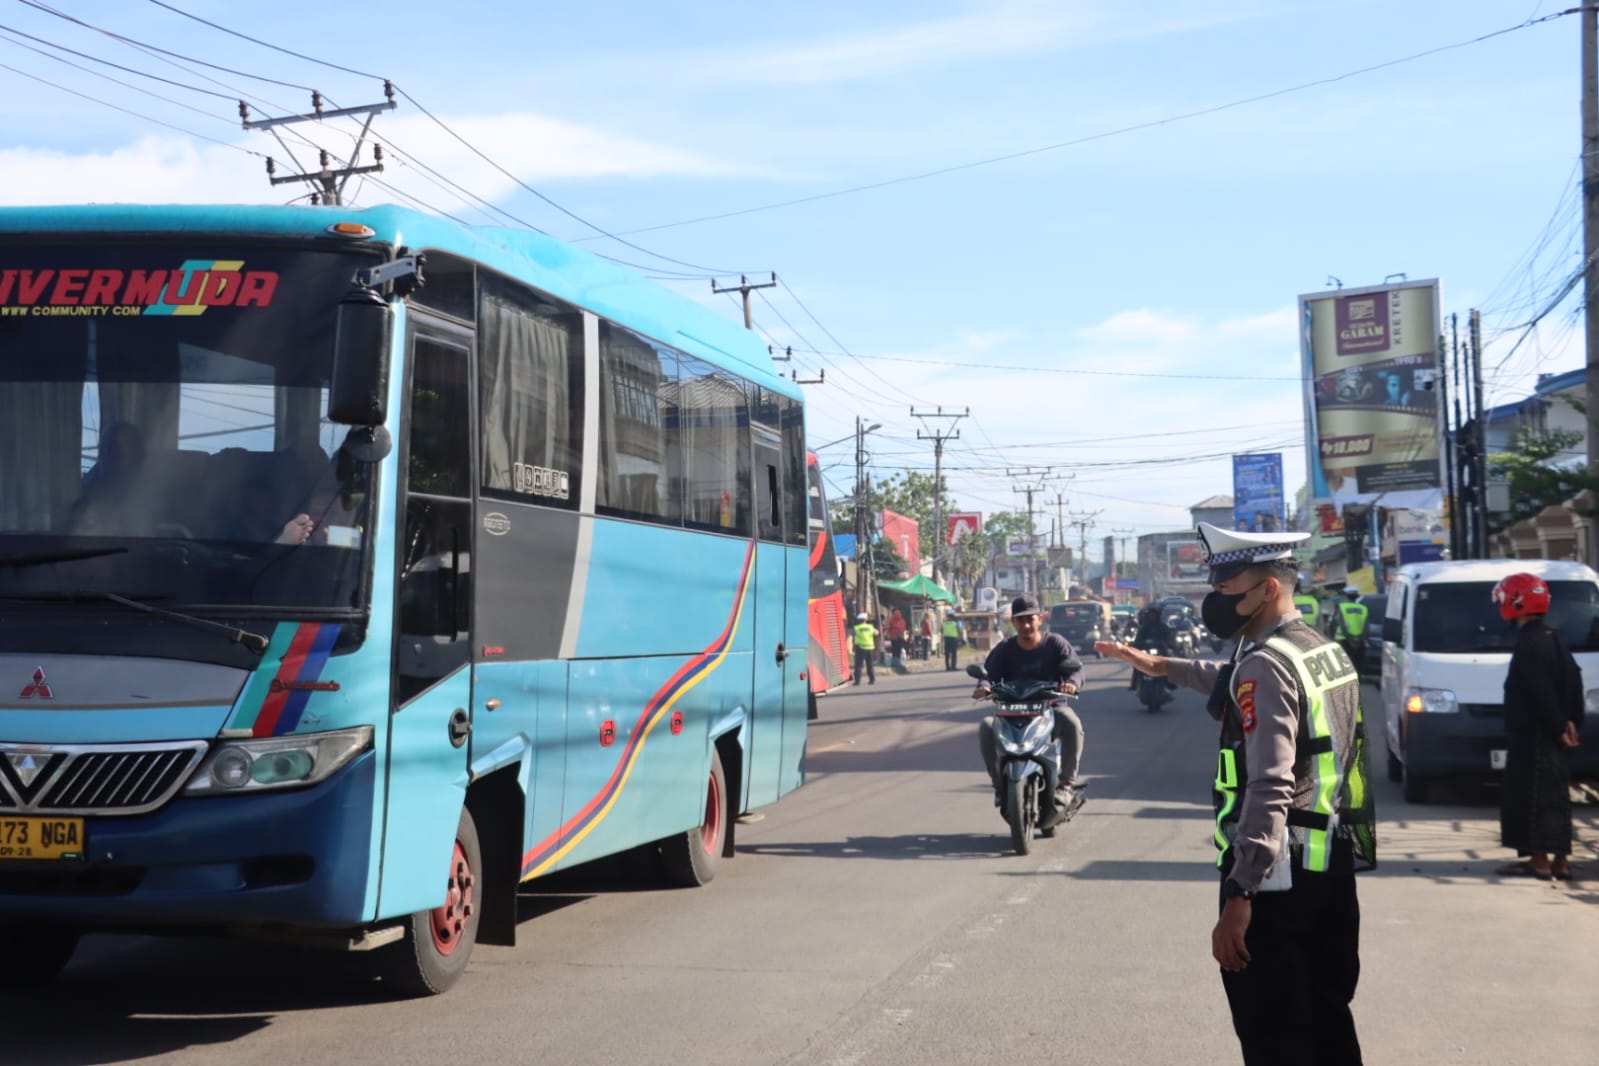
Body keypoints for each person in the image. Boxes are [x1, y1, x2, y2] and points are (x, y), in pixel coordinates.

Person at [1096, 523, 1377, 1066]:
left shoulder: (1266, 664)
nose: (1216, 597)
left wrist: (1241, 892)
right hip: (1331, 868)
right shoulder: (1320, 650)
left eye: (1226, 586)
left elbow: (1271, 783)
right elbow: (1230, 679)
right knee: (1328, 1024)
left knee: (1275, 1037)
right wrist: (1154, 664)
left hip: (1278, 879)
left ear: (1267, 589)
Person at [1492, 573, 1585, 882]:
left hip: (1533, 734)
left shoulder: (1528, 643)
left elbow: (1539, 688)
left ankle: (1540, 862)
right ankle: (1560, 862)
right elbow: (1574, 679)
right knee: (1556, 798)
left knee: (1530, 797)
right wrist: (1571, 721)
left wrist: (1557, 725)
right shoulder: (1553, 637)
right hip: (1554, 734)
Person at [974, 595, 1088, 818]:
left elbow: (1076, 670)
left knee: (1072, 722)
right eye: (1020, 620)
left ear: (1040, 619)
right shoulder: (1005, 648)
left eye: (1030, 619)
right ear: (1013, 622)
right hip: (1011, 712)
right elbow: (988, 674)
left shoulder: (1055, 643)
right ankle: (999, 786)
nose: (1026, 625)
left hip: (1050, 708)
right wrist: (984, 686)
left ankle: (1066, 783)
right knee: (986, 726)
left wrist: (1072, 684)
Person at [1128, 604, 1174, 690]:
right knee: (1137, 664)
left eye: (1154, 614)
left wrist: (1169, 644)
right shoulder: (1144, 627)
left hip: (1160, 650)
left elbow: (1169, 638)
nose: (1152, 616)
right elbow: (1138, 639)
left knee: (1169, 662)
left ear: (1158, 615)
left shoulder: (1163, 627)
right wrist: (1135, 645)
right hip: (1146, 650)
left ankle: (1170, 683)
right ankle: (1134, 684)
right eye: (1151, 615)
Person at [1330, 587, 1368, 673]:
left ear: (1346, 596)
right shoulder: (1363, 608)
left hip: (1343, 641)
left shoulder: (1341, 607)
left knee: (1344, 667)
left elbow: (1338, 624)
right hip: (1359, 642)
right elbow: (1366, 627)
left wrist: (1350, 639)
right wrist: (1358, 639)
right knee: (1357, 666)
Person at [851, 612, 878, 686]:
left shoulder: (857, 628)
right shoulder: (870, 627)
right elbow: (876, 633)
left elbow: (852, 634)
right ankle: (872, 679)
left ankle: (857, 681)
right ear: (865, 620)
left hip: (860, 647)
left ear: (858, 620)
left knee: (859, 665)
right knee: (870, 664)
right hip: (870, 648)